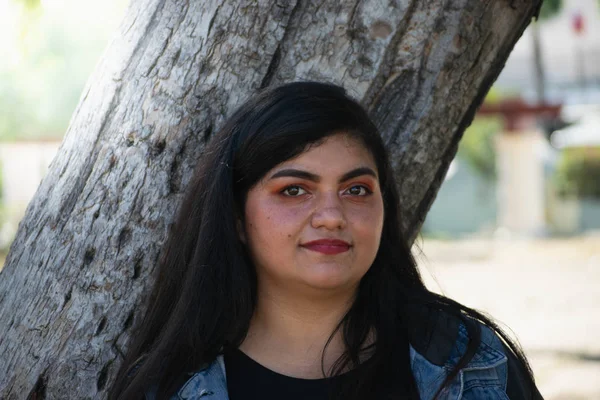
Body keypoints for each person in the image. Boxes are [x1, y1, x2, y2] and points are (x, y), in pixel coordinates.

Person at [109, 81, 543, 400]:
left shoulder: (472, 363)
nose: (332, 217)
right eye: (294, 190)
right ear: (237, 218)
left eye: (356, 190)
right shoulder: (169, 388)